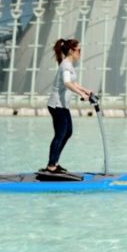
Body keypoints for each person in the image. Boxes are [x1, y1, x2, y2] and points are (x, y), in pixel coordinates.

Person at [42, 38, 93, 174]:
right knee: (60, 134)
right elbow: (67, 83)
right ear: (71, 51)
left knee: (68, 132)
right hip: (56, 105)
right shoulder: (65, 65)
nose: (80, 53)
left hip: (63, 105)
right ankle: (51, 166)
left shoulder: (69, 65)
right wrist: (81, 95)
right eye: (78, 50)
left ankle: (55, 162)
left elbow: (73, 83)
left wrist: (86, 91)